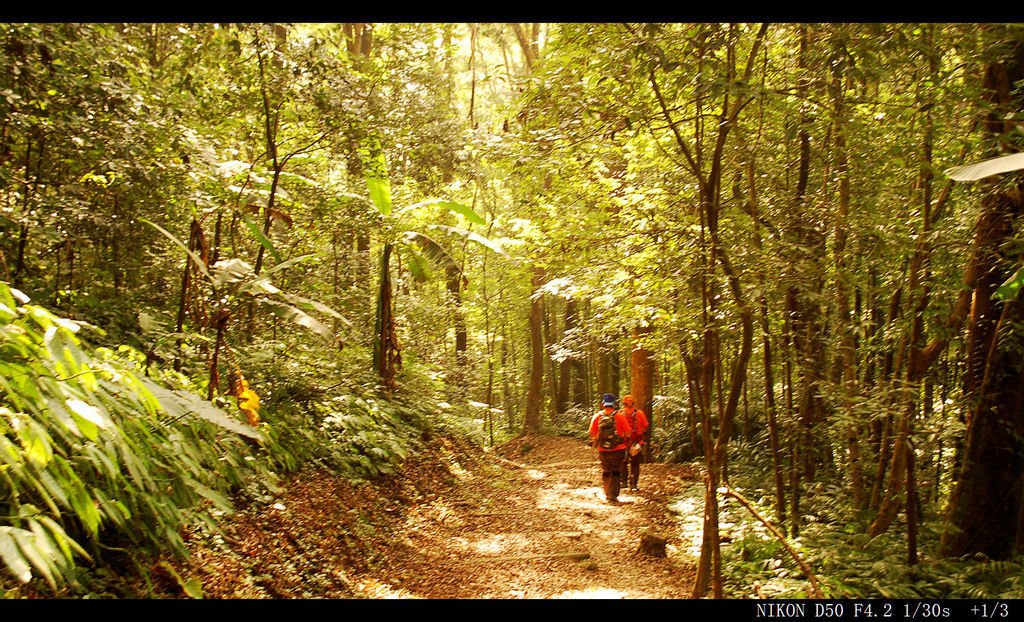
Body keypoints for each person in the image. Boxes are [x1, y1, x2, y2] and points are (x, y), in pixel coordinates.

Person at [588, 393, 632, 504]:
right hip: (618, 449)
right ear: (614, 404)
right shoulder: (620, 416)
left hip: (603, 450)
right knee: (616, 471)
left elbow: (591, 433)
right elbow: (628, 432)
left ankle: (608, 494)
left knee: (606, 471)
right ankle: (614, 495)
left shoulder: (597, 416)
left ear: (603, 404)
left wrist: (598, 439)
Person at [619, 394, 650, 492]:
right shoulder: (639, 413)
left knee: (623, 462)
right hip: (636, 442)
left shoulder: (620, 413)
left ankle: (624, 482)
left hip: (624, 442)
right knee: (635, 464)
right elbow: (645, 427)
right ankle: (634, 484)